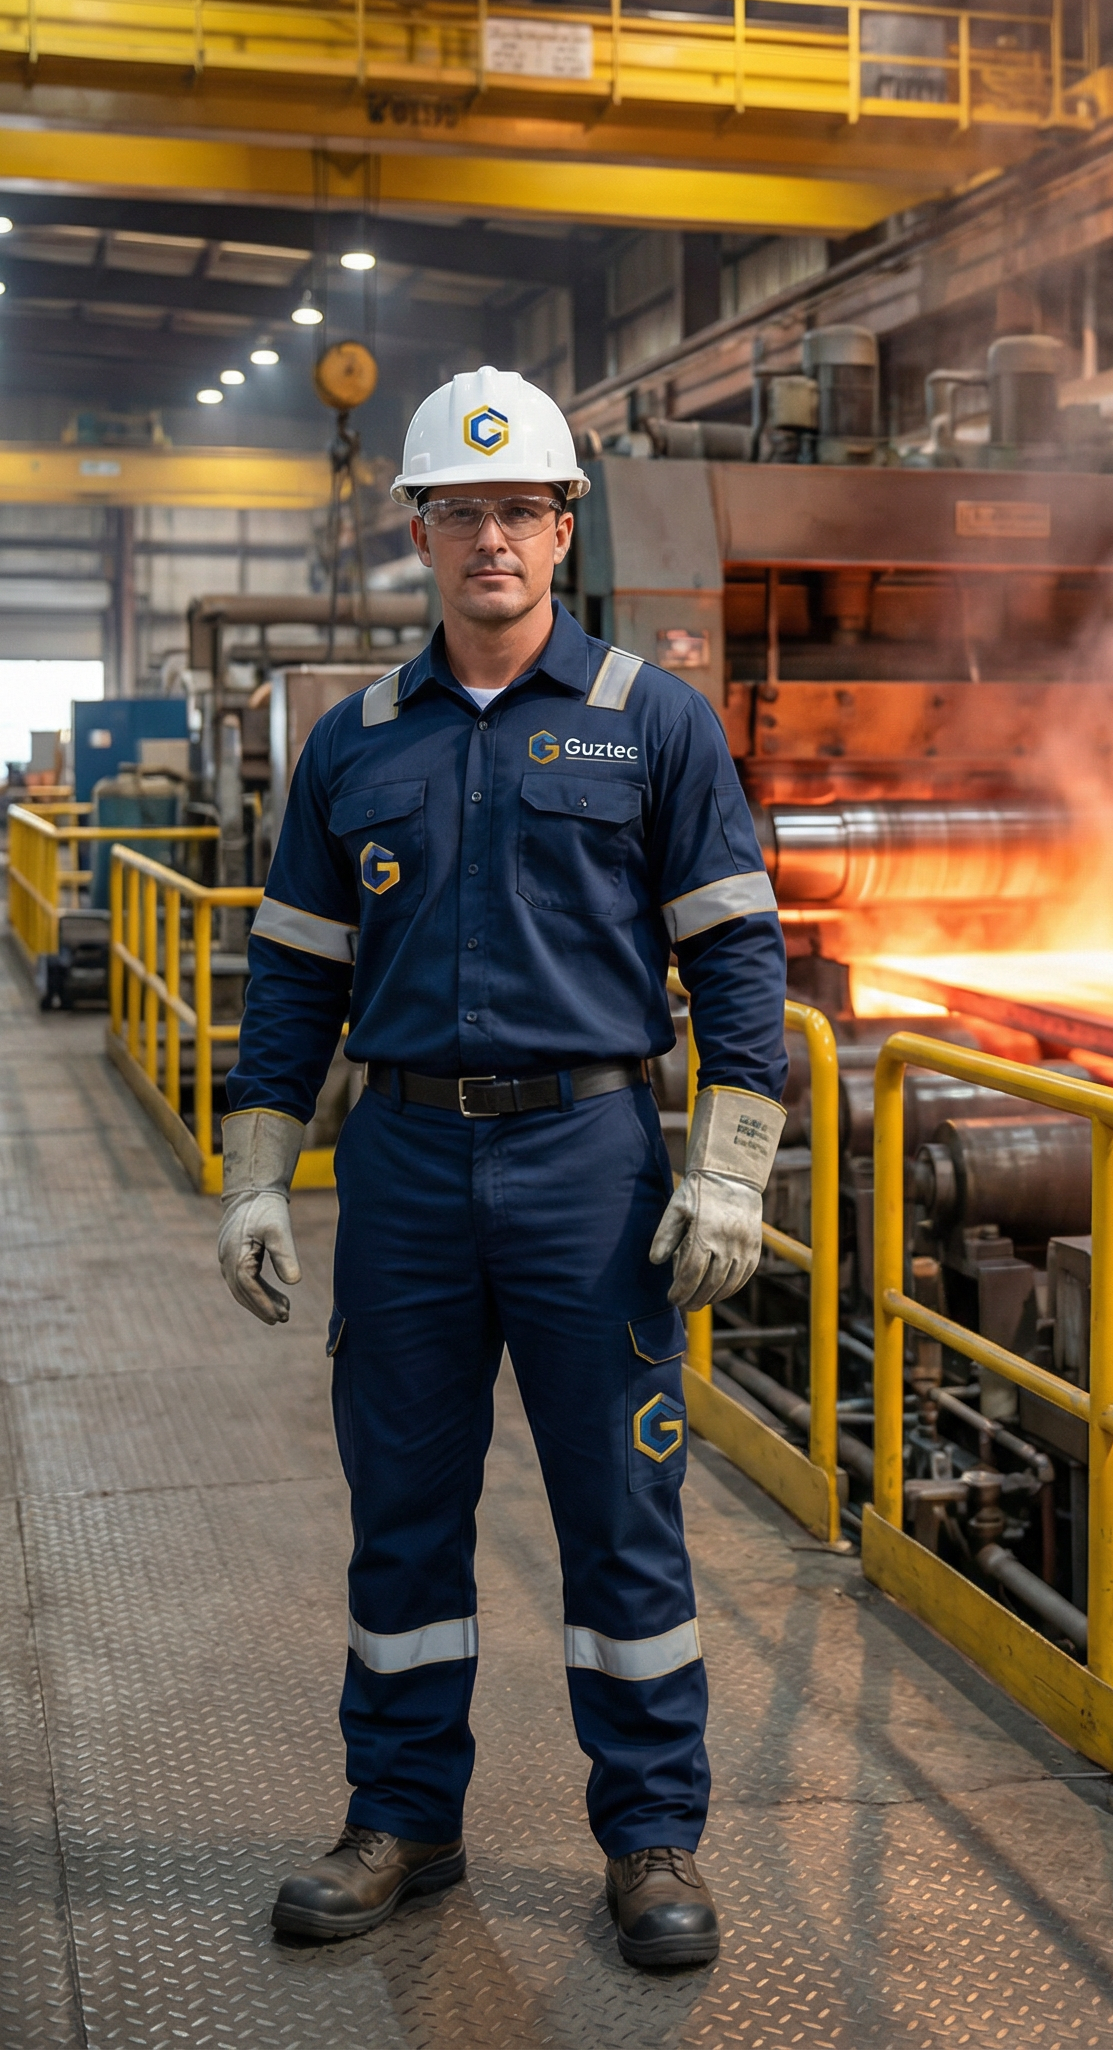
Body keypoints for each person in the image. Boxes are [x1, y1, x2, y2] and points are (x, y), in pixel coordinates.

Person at [217, 365, 788, 1969]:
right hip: (401, 1161)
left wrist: (730, 1166)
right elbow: (293, 978)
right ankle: (402, 1817)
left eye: (520, 510)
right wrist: (258, 1171)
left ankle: (653, 1836)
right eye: (461, 511)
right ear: (418, 531)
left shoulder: (651, 721)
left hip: (588, 1161)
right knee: (402, 1510)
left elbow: (738, 957)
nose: (492, 539)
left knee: (623, 1510)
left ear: (563, 529)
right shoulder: (356, 744)